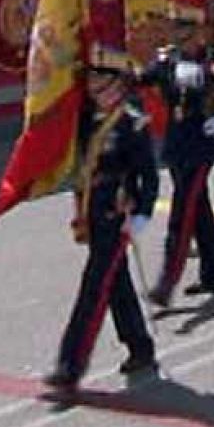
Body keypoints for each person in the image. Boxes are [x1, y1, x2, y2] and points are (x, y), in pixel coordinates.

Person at [43, 46, 159, 393]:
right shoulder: (87, 117)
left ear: (117, 82)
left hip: (115, 214)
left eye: (99, 77)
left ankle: (70, 365)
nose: (92, 84)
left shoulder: (132, 122)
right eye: (90, 77)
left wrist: (143, 213)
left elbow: (148, 175)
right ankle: (140, 345)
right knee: (116, 281)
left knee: (93, 287)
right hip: (92, 209)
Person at [144, 6, 214, 305]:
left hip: (201, 147)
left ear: (198, 31)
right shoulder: (168, 61)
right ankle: (212, 275)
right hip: (177, 146)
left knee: (181, 214)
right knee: (200, 211)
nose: (179, 34)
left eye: (184, 28)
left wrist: (210, 77)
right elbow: (141, 79)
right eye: (176, 28)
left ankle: (167, 281)